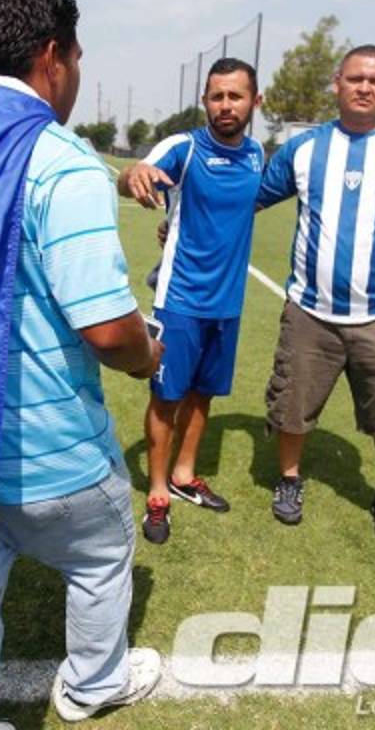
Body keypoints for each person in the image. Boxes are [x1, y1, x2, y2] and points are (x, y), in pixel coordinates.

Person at [0, 0, 164, 728]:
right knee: (104, 549)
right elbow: (108, 330)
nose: (76, 73)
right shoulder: (62, 162)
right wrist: (149, 354)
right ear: (52, 57)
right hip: (55, 453)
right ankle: (92, 685)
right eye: (77, 57)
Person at [256, 44, 375, 546]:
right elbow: (248, 200)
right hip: (309, 310)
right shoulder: (304, 149)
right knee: (292, 403)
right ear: (337, 83)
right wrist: (186, 224)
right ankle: (290, 479)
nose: (365, 87)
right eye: (356, 78)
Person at [117, 58, 264, 545]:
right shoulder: (185, 148)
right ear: (205, 101)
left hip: (228, 303)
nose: (226, 105)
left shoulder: (257, 155)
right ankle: (158, 492)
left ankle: (184, 474)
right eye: (216, 96)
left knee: (203, 393)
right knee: (167, 397)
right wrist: (135, 173)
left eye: (235, 96)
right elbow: (135, 174)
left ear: (255, 102)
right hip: (179, 299)